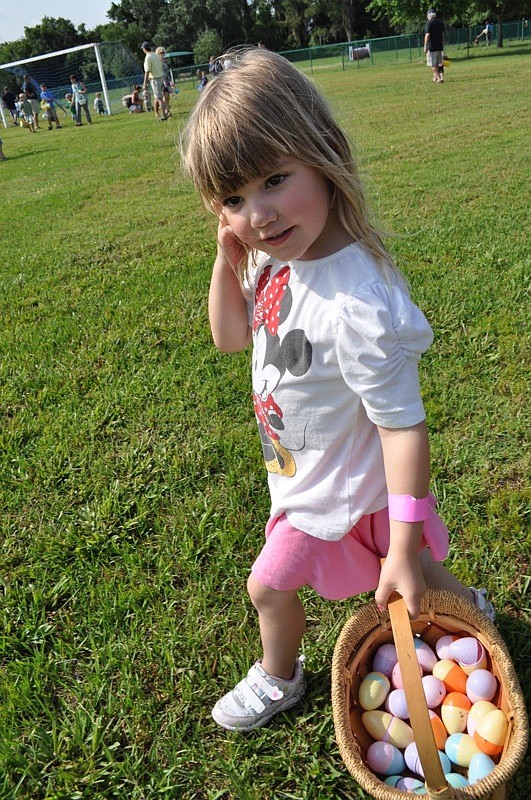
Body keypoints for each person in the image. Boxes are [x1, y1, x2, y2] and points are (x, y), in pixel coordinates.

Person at [182, 47, 495, 732]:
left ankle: (278, 675)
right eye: (233, 199)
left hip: (342, 490)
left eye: (274, 179)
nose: (258, 213)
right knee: (420, 573)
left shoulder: (356, 303)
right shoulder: (275, 255)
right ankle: (470, 605)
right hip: (315, 475)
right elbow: (229, 337)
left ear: (323, 151)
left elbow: (401, 426)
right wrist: (227, 261)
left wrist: (404, 543)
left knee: (267, 586)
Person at [141, 42, 169, 120]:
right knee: (160, 97)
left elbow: (147, 71)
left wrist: (144, 83)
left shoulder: (148, 57)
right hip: (161, 78)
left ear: (145, 49)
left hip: (155, 79)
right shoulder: (156, 55)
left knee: (159, 99)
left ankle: (164, 115)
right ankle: (164, 112)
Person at [424, 9, 445, 83]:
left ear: (428, 16)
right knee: (439, 63)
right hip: (440, 46)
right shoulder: (440, 22)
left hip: (432, 47)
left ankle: (439, 78)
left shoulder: (429, 23)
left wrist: (425, 46)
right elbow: (442, 35)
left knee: (433, 64)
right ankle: (437, 77)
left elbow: (427, 35)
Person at [156, 47, 174, 114]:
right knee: (165, 96)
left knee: (168, 97)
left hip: (167, 81)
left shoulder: (165, 62)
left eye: (163, 52)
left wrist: (170, 81)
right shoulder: (157, 62)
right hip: (161, 82)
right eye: (161, 52)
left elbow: (167, 73)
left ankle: (167, 109)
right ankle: (166, 111)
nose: (162, 54)